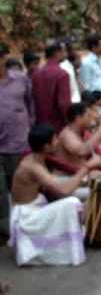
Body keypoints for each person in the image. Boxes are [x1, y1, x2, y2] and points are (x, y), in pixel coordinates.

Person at [9, 124, 101, 266]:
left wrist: (85, 177)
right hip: (27, 217)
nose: (58, 141)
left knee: (85, 190)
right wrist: (87, 168)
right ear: (46, 146)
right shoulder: (32, 166)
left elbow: (59, 180)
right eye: (54, 139)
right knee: (72, 202)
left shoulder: (37, 157)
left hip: (35, 207)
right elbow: (64, 190)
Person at [0, 44, 35, 243]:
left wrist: (29, 123)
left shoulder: (21, 79)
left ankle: (24, 227)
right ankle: (5, 230)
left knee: (20, 188)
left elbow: (31, 103)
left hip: (18, 144)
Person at [32, 40, 71, 132]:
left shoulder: (36, 73)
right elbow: (64, 103)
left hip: (41, 125)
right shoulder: (62, 74)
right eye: (64, 51)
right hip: (58, 125)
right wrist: (69, 121)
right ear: (57, 53)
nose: (66, 53)